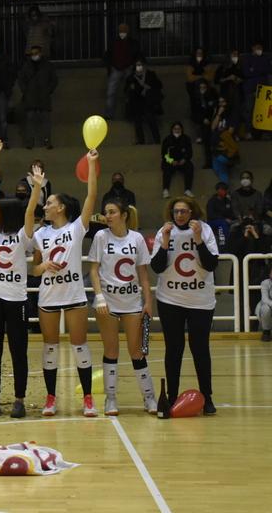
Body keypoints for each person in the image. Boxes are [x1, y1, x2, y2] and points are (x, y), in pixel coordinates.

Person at [32, 149, 99, 417]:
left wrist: (92, 165)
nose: (45, 206)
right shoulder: (41, 233)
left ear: (61, 207)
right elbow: (34, 270)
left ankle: (88, 398)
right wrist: (44, 265)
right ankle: (51, 398)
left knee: (80, 346)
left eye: (49, 203)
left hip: (74, 295)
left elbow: (91, 196)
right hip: (48, 296)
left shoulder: (76, 228)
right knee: (50, 347)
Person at [0, 154, 42, 419]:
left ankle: (19, 400)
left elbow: (29, 211)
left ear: (7, 213)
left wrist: (37, 186)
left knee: (19, 350)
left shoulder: (23, 236)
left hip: (16, 300)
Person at [151, 196, 219, 415]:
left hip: (200, 300)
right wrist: (164, 242)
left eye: (184, 211)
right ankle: (171, 396)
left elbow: (211, 264)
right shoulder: (165, 232)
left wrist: (198, 239)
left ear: (192, 212)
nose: (179, 215)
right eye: (176, 211)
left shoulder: (205, 230)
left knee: (200, 348)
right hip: (170, 299)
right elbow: (157, 267)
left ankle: (207, 397)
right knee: (174, 348)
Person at [88, 198, 156, 416]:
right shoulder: (100, 237)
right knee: (111, 351)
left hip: (132, 303)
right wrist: (99, 297)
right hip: (107, 303)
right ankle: (111, 398)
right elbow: (94, 270)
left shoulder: (137, 239)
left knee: (137, 352)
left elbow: (144, 275)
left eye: (112, 212)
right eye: (106, 212)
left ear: (124, 215)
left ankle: (149, 397)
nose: (108, 216)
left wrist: (148, 302)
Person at [17, 45, 58, 150]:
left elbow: (54, 80)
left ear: (40, 53)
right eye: (32, 54)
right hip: (30, 98)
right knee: (30, 121)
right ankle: (30, 142)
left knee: (46, 121)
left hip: (44, 97)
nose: (34, 55)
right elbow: (21, 80)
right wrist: (26, 91)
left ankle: (47, 141)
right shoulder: (26, 66)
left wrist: (48, 90)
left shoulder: (48, 66)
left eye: (36, 53)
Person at [103, 23, 142, 118]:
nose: (122, 33)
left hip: (127, 68)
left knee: (129, 92)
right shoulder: (115, 43)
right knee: (111, 92)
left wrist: (136, 68)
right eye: (121, 32)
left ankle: (129, 113)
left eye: (124, 32)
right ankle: (109, 114)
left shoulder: (133, 43)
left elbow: (138, 56)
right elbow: (108, 55)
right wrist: (110, 67)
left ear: (127, 32)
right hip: (117, 68)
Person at [125, 59, 163, 145]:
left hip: (149, 101)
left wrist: (148, 87)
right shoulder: (131, 77)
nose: (139, 67)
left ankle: (157, 141)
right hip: (137, 102)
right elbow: (126, 91)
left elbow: (159, 85)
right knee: (137, 120)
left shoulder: (150, 75)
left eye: (140, 65)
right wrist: (131, 88)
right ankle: (141, 141)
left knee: (151, 119)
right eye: (137, 65)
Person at [242, 41, 271, 139]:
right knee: (249, 110)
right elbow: (246, 73)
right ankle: (248, 132)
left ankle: (265, 133)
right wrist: (258, 71)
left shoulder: (265, 58)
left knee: (264, 111)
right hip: (250, 89)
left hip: (263, 90)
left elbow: (267, 70)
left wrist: (254, 69)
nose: (259, 49)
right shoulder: (247, 59)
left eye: (261, 47)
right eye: (257, 47)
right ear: (252, 48)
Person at [160, 122, 194, 199]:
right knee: (166, 168)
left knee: (190, 166)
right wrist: (171, 161)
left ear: (182, 129)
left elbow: (190, 153)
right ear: (172, 130)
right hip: (171, 162)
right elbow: (164, 154)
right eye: (175, 129)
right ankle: (165, 190)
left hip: (182, 162)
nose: (177, 130)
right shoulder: (167, 139)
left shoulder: (186, 139)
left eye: (179, 129)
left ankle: (188, 190)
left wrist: (184, 159)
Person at [231, 171, 268, 235]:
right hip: (240, 220)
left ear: (252, 179)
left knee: (268, 230)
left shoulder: (258, 194)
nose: (245, 180)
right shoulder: (235, 194)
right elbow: (235, 208)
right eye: (243, 178)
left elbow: (260, 209)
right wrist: (241, 219)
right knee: (232, 229)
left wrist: (253, 218)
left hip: (255, 220)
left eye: (247, 178)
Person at [215, 50, 243, 125]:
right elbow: (217, 80)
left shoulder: (240, 67)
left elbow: (244, 78)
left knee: (236, 112)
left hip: (237, 94)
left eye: (237, 55)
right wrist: (228, 78)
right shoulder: (223, 67)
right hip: (225, 94)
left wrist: (238, 79)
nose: (235, 56)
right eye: (233, 54)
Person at [255, 265, 272, 341]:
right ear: (270, 274)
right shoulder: (265, 283)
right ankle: (266, 332)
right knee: (266, 308)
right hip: (266, 307)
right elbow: (264, 299)